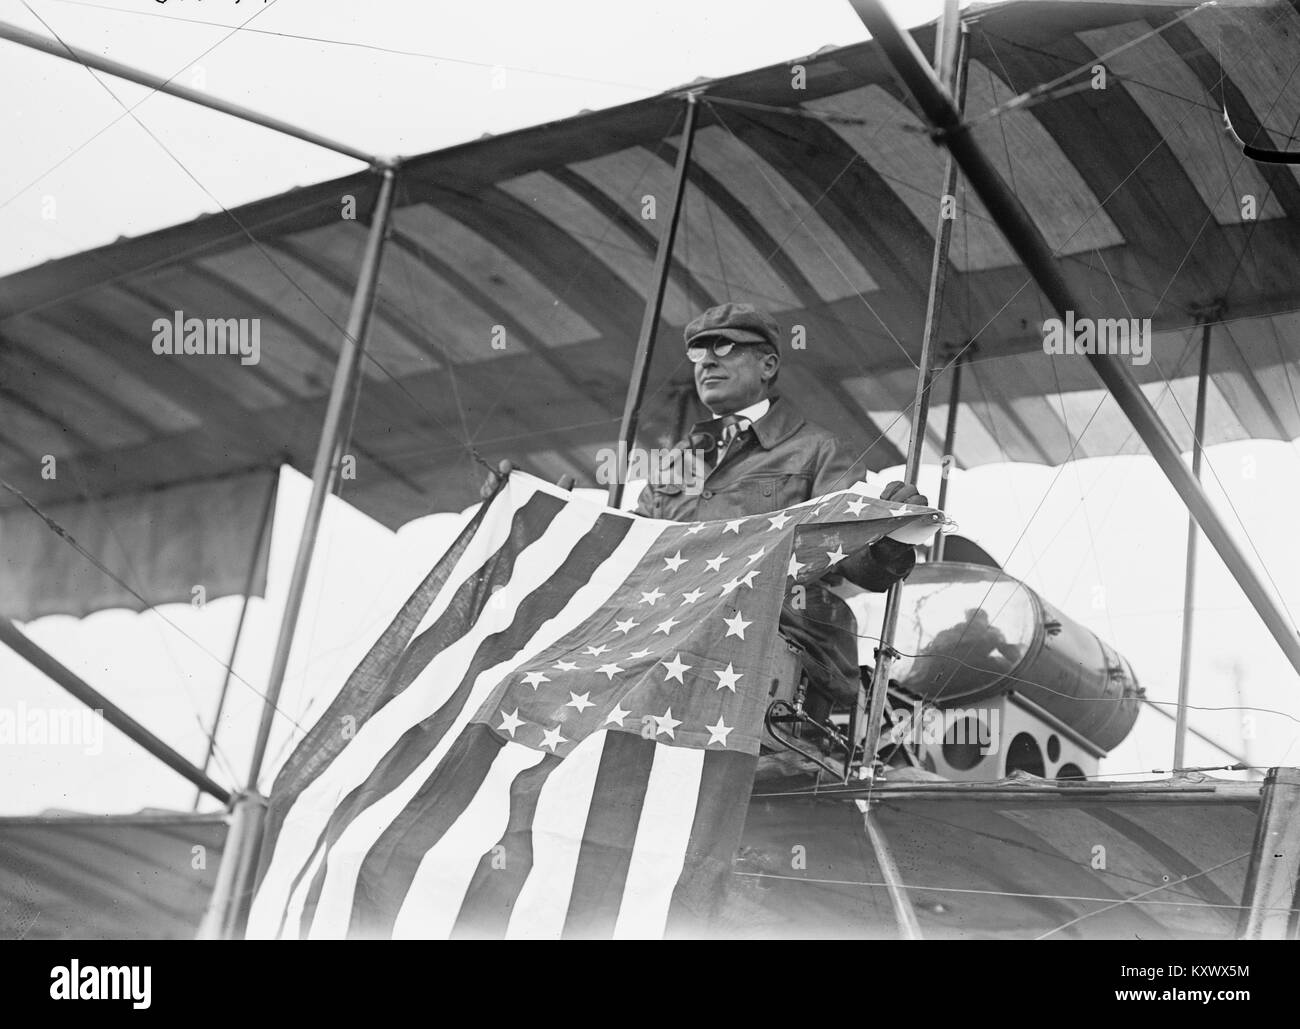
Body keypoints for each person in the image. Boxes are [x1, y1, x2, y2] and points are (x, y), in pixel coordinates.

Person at [481, 301, 926, 710]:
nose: (707, 361)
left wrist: (887, 539)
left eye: (725, 347)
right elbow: (629, 556)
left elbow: (856, 563)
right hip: (668, 647)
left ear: (768, 363)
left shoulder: (818, 450)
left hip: (772, 653)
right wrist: (550, 519)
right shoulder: (675, 463)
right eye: (697, 353)